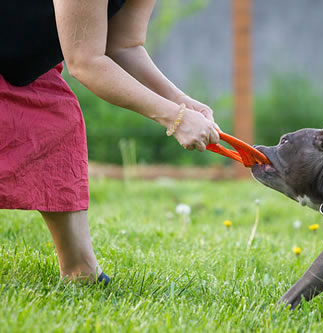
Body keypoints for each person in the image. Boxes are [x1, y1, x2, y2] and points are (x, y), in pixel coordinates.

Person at [0, 0, 220, 284]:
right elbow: (85, 62)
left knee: (56, 124)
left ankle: (81, 272)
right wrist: (174, 118)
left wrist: (180, 102)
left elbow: (124, 47)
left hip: (21, 58)